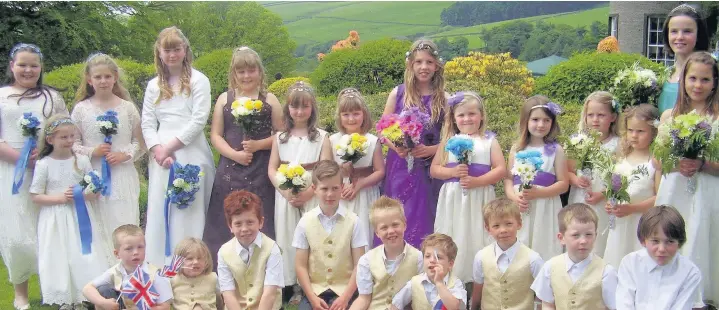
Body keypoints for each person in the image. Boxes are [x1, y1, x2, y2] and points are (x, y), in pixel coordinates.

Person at [0, 42, 68, 310]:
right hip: (11, 170)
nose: (28, 70)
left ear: (41, 68)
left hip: (48, 170)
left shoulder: (51, 97)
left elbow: (65, 129)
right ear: (11, 66)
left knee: (52, 231)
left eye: (34, 65)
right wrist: (20, 161)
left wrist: (45, 157)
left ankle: (59, 289)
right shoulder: (2, 96)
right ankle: (21, 293)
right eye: (22, 64)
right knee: (17, 235)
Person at [141, 26, 216, 266]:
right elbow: (147, 122)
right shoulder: (154, 86)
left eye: (177, 49)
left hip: (190, 150)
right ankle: (161, 264)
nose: (172, 54)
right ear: (159, 53)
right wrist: (157, 150)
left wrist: (170, 147)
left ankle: (194, 264)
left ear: (185, 50)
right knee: (163, 207)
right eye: (167, 50)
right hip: (161, 156)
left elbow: (198, 119)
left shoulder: (199, 80)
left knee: (190, 208)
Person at [204, 46, 283, 269]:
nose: (246, 76)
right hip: (230, 171)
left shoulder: (270, 99)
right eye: (241, 72)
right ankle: (224, 272)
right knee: (225, 219)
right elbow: (216, 135)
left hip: (261, 170)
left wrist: (259, 145)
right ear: (234, 74)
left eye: (251, 71)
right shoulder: (224, 99)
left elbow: (282, 135)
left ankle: (264, 269)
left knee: (260, 215)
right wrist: (234, 155)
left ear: (259, 72)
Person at [656, 51, 719, 306]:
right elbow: (658, 160)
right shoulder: (670, 116)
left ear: (715, 82)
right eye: (692, 78)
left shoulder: (716, 118)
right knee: (673, 236)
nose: (697, 85)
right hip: (675, 187)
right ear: (683, 80)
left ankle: (701, 298)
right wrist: (677, 162)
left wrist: (702, 163)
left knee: (702, 237)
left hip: (707, 188)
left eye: (705, 80)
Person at [71, 53, 145, 265]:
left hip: (122, 175)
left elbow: (139, 143)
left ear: (115, 77)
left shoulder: (127, 108)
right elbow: (72, 144)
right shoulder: (81, 109)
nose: (103, 81)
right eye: (98, 77)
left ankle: (128, 272)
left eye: (107, 76)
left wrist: (125, 155)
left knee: (123, 221)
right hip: (94, 175)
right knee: (98, 225)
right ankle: (100, 274)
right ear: (89, 80)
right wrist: (92, 151)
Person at [30, 115, 111, 309]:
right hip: (55, 219)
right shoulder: (44, 164)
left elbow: (95, 191)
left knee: (82, 253)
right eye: (63, 137)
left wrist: (82, 196)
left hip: (80, 215)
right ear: (50, 140)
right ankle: (64, 296)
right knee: (59, 253)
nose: (68, 141)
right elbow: (36, 195)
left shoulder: (82, 161)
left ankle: (83, 293)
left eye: (71, 136)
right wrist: (60, 198)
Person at [267, 81, 332, 303]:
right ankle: (291, 284)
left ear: (312, 109)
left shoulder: (322, 137)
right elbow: (272, 167)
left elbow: (325, 169)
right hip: (285, 195)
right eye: (295, 107)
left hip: (311, 193)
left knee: (312, 236)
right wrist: (285, 192)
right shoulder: (280, 137)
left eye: (305, 107)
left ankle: (312, 283)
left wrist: (310, 192)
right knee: (288, 236)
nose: (300, 111)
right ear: (288, 109)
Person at [431, 91, 506, 283]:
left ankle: (480, 277)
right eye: (461, 115)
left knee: (477, 232)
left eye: (472, 114)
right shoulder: (448, 141)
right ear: (454, 119)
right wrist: (453, 173)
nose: (467, 119)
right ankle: (452, 277)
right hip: (454, 198)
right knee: (454, 231)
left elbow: (500, 169)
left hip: (479, 196)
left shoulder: (489, 141)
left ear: (481, 115)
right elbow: (435, 169)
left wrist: (477, 181)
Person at [380, 39, 447, 248]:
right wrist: (397, 147)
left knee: (426, 213)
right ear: (410, 64)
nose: (424, 67)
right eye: (418, 62)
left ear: (436, 65)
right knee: (399, 213)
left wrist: (432, 149)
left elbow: (451, 137)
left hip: (430, 168)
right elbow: (382, 128)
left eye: (429, 62)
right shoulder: (398, 93)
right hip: (400, 166)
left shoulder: (443, 98)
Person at [293, 160, 367, 310]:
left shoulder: (354, 221)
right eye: (324, 188)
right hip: (315, 291)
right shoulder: (304, 222)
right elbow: (300, 265)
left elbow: (359, 264)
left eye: (335, 188)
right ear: (314, 189)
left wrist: (345, 298)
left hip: (346, 291)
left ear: (342, 187)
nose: (330, 194)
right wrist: (313, 298)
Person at [504, 95, 568, 260]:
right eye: (536, 119)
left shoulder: (556, 150)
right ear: (526, 121)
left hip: (545, 206)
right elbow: (509, 179)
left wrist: (539, 193)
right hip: (521, 206)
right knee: (521, 242)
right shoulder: (517, 149)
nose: (541, 124)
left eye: (546, 120)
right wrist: (514, 197)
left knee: (543, 243)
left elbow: (563, 184)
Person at [603, 104, 661, 268]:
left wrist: (632, 208)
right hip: (620, 222)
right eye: (630, 130)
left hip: (642, 222)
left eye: (640, 131)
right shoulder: (622, 155)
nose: (634, 136)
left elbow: (660, 196)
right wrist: (610, 202)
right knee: (617, 260)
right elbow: (614, 186)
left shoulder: (655, 161)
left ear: (653, 132)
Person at [530, 203, 618, 310]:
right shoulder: (550, 267)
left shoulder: (606, 272)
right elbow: (547, 304)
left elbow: (613, 307)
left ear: (595, 235)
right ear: (561, 238)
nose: (583, 241)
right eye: (576, 235)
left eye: (589, 234)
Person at [615, 205, 702, 310]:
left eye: (670, 241)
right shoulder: (630, 263)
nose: (661, 249)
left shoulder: (690, 273)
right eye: (655, 241)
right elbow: (624, 303)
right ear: (643, 240)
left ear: (679, 242)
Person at [329, 87, 385, 249]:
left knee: (363, 234)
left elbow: (380, 171)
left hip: (365, 193)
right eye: (346, 115)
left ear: (364, 114)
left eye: (356, 114)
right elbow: (326, 169)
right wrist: (341, 174)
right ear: (339, 117)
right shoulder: (333, 140)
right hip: (342, 192)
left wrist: (359, 184)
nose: (351, 119)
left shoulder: (372, 141)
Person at [566, 91, 620, 255]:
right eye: (591, 115)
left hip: (603, 199)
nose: (595, 119)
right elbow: (567, 170)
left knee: (599, 238)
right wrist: (576, 180)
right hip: (580, 197)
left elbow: (621, 177)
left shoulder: (618, 144)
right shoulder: (578, 141)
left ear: (613, 117)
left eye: (601, 115)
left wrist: (602, 194)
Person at [349, 196, 422, 310]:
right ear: (377, 232)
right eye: (384, 227)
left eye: (395, 224)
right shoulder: (366, 260)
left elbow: (421, 297)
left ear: (404, 225)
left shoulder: (418, 258)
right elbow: (364, 299)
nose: (391, 231)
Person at [471, 198, 544, 310]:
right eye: (496, 226)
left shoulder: (533, 259)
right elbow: (477, 292)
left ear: (519, 224)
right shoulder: (481, 257)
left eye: (508, 224)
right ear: (488, 228)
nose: (503, 230)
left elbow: (543, 295)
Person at [217, 190, 284, 310]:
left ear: (261, 222)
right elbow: (228, 294)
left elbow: (270, 293)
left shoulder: (272, 249)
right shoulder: (223, 252)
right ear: (230, 226)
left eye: (250, 222)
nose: (244, 228)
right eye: (238, 224)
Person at [83, 224, 173, 310]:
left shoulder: (155, 274)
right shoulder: (116, 271)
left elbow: (165, 307)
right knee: (103, 289)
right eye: (129, 248)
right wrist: (103, 302)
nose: (136, 252)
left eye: (140, 247)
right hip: (122, 306)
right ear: (117, 254)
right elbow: (87, 288)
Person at [390, 233, 467, 310]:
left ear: (450, 264)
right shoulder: (415, 282)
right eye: (427, 256)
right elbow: (395, 304)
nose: (432, 260)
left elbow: (455, 307)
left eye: (438, 257)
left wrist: (439, 283)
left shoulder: (455, 283)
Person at [657, 4, 710, 113]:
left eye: (687, 31)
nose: (679, 37)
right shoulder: (664, 75)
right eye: (674, 31)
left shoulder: (711, 72)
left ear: (698, 34)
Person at [171, 238, 219, 310]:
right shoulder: (173, 280)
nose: (196, 262)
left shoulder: (213, 278)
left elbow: (221, 300)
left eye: (199, 258)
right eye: (190, 258)